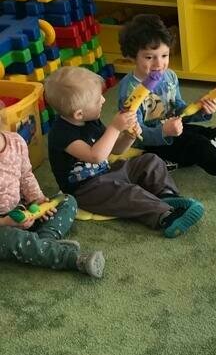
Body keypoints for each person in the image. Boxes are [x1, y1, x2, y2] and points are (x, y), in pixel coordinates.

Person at [117, 13, 216, 194]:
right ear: (132, 56)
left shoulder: (169, 76)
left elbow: (179, 109)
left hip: (174, 129)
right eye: (149, 57)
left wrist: (201, 110)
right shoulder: (129, 90)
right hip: (152, 140)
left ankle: (172, 160)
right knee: (198, 144)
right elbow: (134, 133)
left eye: (164, 55)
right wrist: (164, 132)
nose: (159, 64)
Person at [45, 66, 204, 238]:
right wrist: (114, 127)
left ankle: (167, 196)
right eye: (98, 99)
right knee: (129, 193)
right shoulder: (61, 134)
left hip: (107, 173)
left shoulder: (90, 120)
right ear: (78, 114)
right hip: (86, 190)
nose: (103, 100)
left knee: (150, 161)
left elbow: (115, 150)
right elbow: (96, 156)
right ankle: (166, 217)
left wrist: (128, 136)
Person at [0, 130, 104, 278]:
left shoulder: (15, 141)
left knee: (67, 200)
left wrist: (38, 200)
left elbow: (25, 176)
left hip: (21, 211)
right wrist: (5, 222)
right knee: (10, 238)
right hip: (3, 226)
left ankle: (46, 240)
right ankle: (73, 259)